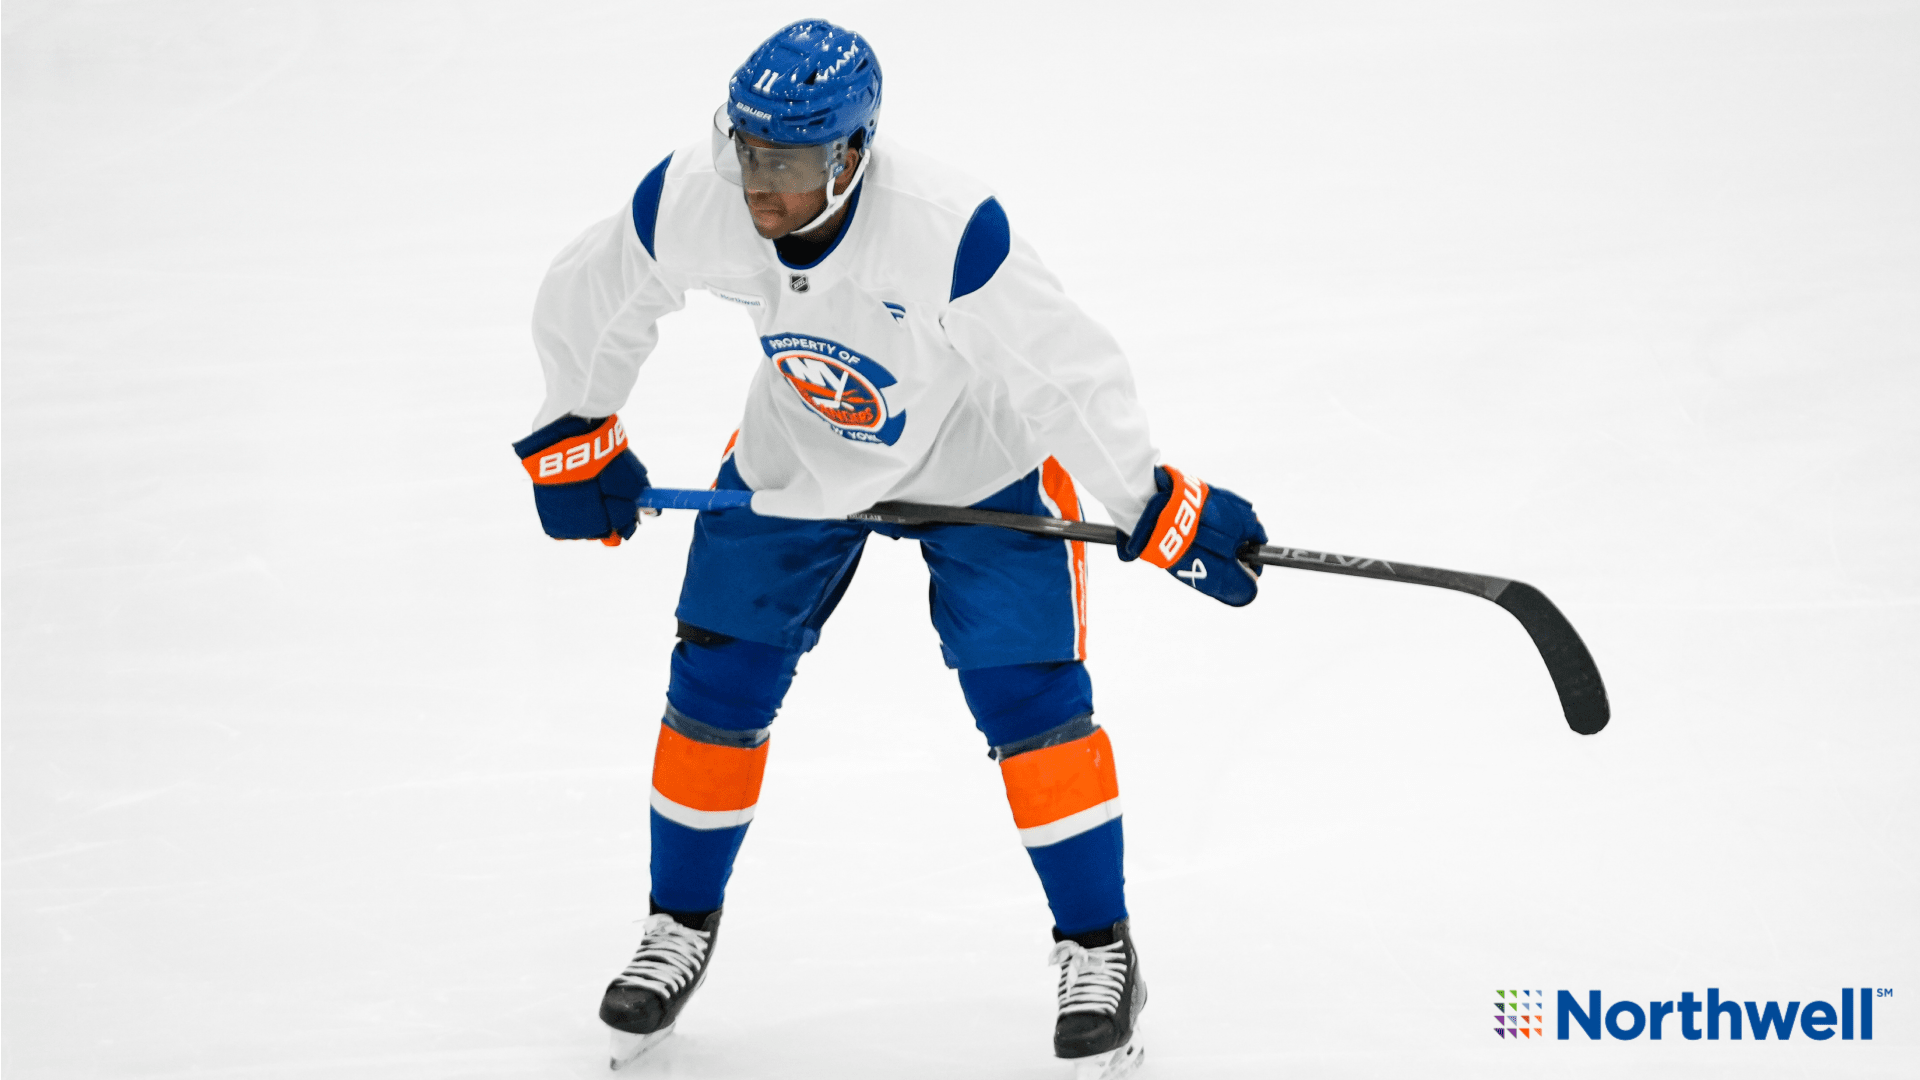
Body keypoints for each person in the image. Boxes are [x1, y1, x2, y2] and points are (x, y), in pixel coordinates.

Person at [512, 19, 1267, 1077]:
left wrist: (1151, 500)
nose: (759, 185)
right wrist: (573, 426)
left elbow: (1064, 371)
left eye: (788, 163)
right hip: (802, 453)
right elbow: (601, 287)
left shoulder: (948, 231)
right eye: (748, 152)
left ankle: (1100, 949)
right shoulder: (699, 195)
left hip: (978, 464)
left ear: (853, 153)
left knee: (1030, 699)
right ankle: (676, 925)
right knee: (718, 679)